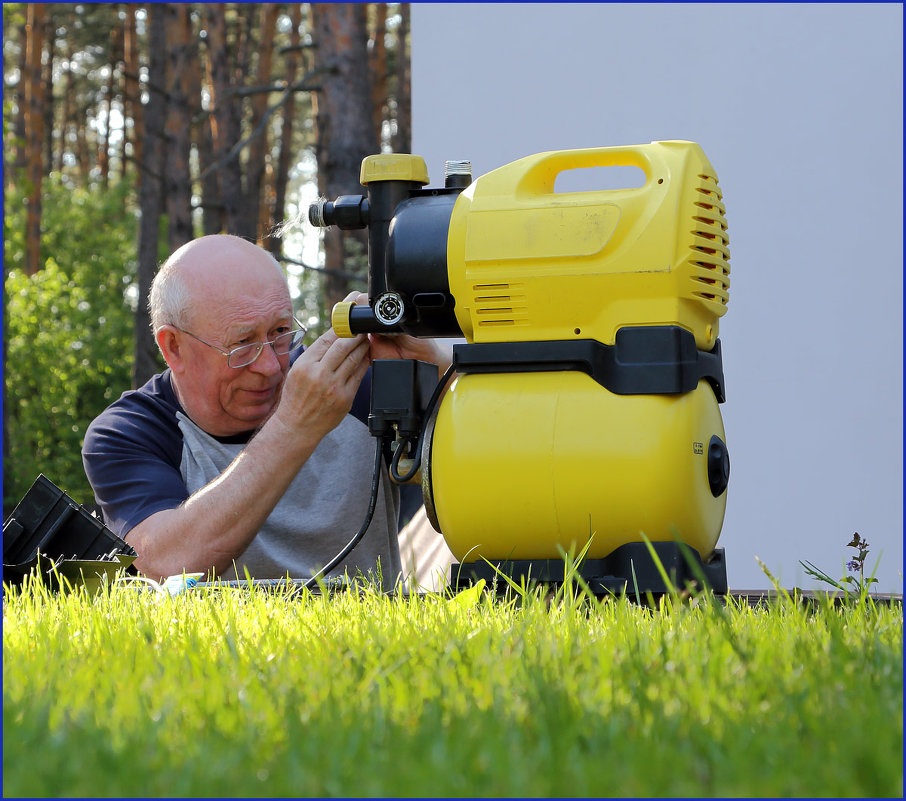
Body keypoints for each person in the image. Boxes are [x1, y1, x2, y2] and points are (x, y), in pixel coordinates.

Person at [81, 234, 452, 589]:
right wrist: (295, 427)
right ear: (173, 347)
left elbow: (489, 465)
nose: (272, 367)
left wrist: (439, 369)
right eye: (242, 345)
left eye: (281, 332)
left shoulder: (349, 385)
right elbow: (162, 564)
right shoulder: (129, 432)